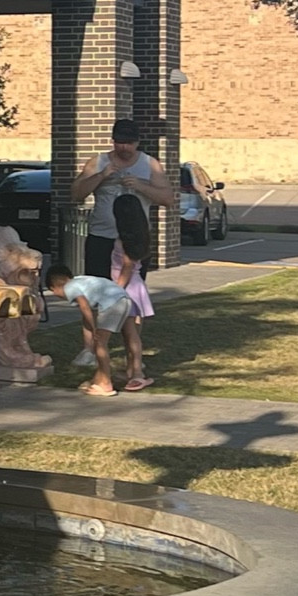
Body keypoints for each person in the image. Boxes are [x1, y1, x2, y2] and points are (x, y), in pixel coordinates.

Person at [70, 117, 176, 281]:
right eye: (120, 142)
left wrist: (140, 186)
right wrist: (102, 175)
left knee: (131, 286)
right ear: (113, 141)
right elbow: (76, 194)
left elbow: (168, 199)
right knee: (99, 286)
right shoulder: (98, 162)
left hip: (135, 238)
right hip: (102, 236)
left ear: (137, 142)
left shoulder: (150, 164)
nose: (125, 147)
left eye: (129, 143)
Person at [44, 263, 151, 395]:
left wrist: (94, 328)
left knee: (100, 343)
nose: (57, 295)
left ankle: (105, 383)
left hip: (112, 304)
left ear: (54, 286)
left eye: (54, 292)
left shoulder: (69, 287)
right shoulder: (82, 281)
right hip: (124, 298)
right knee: (130, 335)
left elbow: (84, 307)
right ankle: (135, 373)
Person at [110, 191, 155, 324]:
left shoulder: (125, 241)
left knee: (129, 329)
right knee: (135, 325)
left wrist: (117, 289)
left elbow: (127, 266)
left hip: (127, 287)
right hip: (136, 284)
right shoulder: (140, 236)